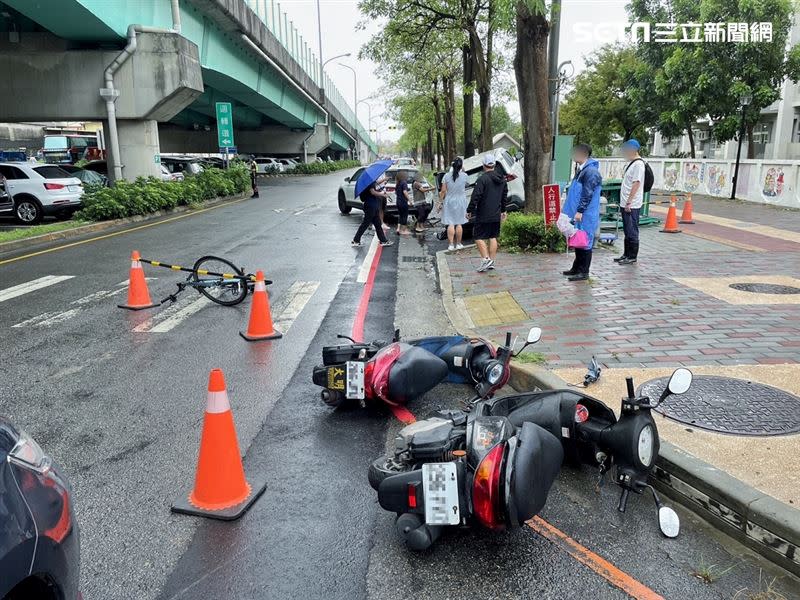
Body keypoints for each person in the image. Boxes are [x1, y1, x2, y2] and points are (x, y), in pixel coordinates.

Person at [562, 143, 602, 281]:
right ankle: (576, 268)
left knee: (585, 242)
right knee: (578, 239)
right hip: (579, 214)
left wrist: (580, 211)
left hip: (586, 214)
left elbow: (587, 193)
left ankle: (583, 272)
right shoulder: (582, 169)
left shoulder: (590, 172)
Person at [467, 154, 508, 272]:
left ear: (484, 165)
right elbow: (504, 196)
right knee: (493, 237)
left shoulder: (482, 179)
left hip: (484, 213)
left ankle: (485, 259)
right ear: (494, 165)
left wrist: (470, 210)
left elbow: (476, 196)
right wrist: (503, 210)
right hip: (496, 213)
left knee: (478, 236)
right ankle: (491, 261)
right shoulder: (502, 180)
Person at [616, 139, 644, 265]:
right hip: (626, 202)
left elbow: (636, 183)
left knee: (632, 230)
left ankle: (632, 256)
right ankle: (626, 254)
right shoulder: (632, 163)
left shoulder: (638, 164)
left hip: (632, 204)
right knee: (627, 229)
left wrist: (629, 202)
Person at [352, 178, 393, 247]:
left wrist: (384, 180)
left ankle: (383, 240)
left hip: (373, 204)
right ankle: (356, 240)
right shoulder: (369, 182)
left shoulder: (368, 182)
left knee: (377, 224)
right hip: (370, 205)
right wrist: (382, 194)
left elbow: (376, 183)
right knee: (366, 223)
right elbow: (372, 192)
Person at [438, 158, 468, 250]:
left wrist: (439, 202)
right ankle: (459, 244)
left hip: (449, 201)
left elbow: (443, 191)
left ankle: (451, 245)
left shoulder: (446, 176)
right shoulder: (465, 176)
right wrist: (463, 170)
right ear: (461, 166)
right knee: (459, 223)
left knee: (450, 223)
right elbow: (467, 184)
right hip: (461, 201)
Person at [395, 170, 412, 235]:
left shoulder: (398, 183)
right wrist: (409, 200)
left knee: (400, 215)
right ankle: (403, 230)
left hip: (398, 201)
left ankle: (398, 229)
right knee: (405, 215)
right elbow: (405, 192)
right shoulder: (404, 182)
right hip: (403, 202)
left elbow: (396, 193)